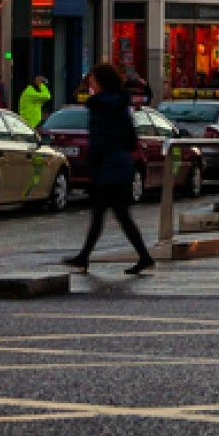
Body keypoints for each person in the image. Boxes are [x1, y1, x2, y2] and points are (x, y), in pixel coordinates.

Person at [63, 63, 154, 276]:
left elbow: (98, 141)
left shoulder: (99, 107)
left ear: (101, 82)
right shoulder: (121, 106)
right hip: (121, 165)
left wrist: (93, 166)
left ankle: (87, 257)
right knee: (113, 215)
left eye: (93, 80)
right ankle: (87, 257)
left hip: (107, 167)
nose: (91, 84)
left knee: (108, 215)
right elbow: (131, 139)